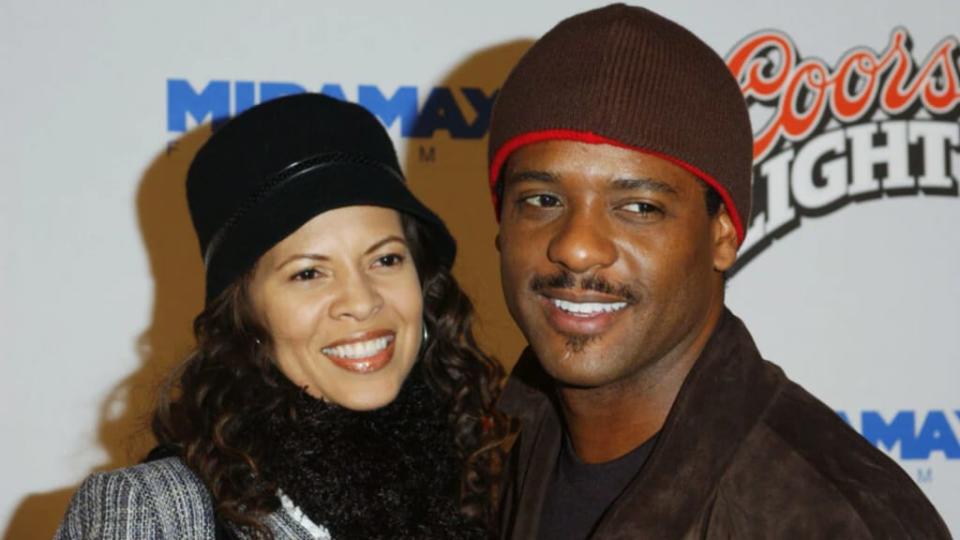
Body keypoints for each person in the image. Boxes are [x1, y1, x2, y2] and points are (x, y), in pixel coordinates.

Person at [488, 5, 950, 539]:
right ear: (501, 226)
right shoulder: (488, 458)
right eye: (543, 199)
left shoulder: (835, 520)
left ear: (723, 235)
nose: (577, 248)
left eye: (639, 207)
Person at [55, 93, 510, 539]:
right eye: (309, 272)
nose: (361, 300)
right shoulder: (153, 511)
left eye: (386, 259)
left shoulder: (482, 484)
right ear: (245, 316)